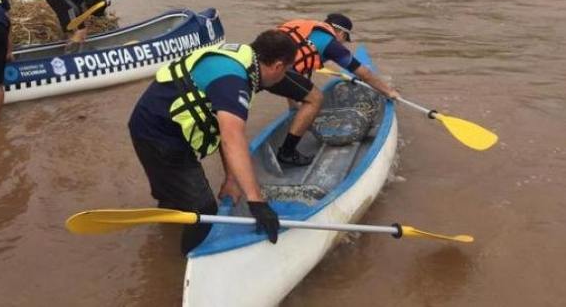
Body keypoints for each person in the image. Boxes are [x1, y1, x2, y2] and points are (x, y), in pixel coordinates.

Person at [128, 30, 297, 254]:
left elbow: (219, 127)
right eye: (286, 71)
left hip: (151, 123)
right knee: (204, 209)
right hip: (160, 136)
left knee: (174, 195)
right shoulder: (233, 81)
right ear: (277, 66)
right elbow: (232, 138)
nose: (284, 77)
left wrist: (231, 178)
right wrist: (257, 202)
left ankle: (166, 237)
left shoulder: (242, 57)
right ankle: (188, 265)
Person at [265, 13, 400, 168]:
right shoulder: (330, 44)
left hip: (259, 67)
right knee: (316, 98)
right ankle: (287, 152)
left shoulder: (305, 29)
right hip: (276, 73)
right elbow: (364, 73)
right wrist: (389, 91)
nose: (343, 43)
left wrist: (293, 106)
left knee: (303, 89)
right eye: (344, 39)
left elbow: (294, 69)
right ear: (341, 33)